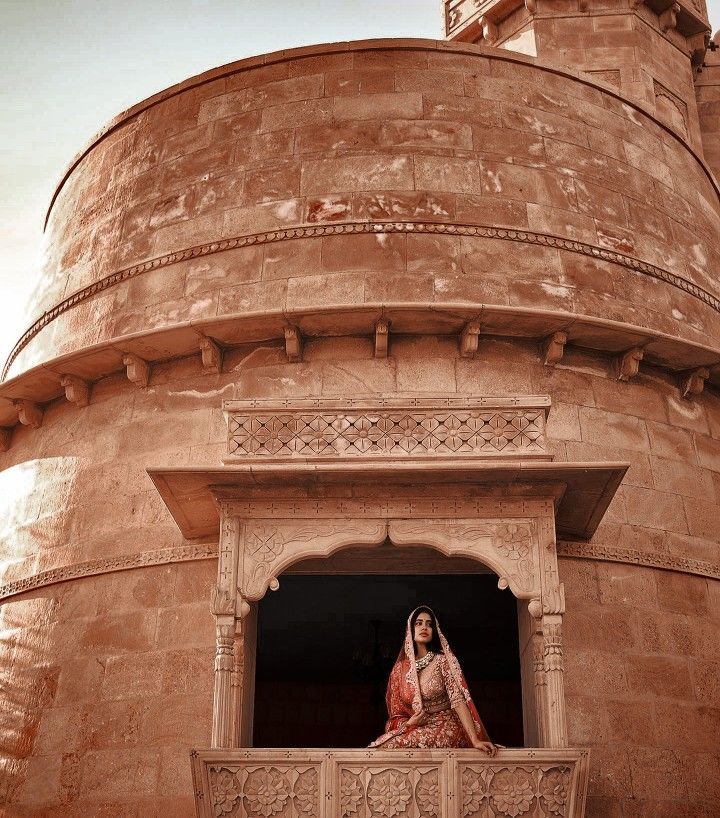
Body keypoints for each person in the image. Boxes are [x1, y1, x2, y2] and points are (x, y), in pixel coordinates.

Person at [368, 606, 497, 753]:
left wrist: (475, 739)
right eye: (419, 623)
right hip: (417, 726)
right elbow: (397, 713)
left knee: (391, 745)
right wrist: (411, 722)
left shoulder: (442, 661)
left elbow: (458, 700)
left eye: (429, 624)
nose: (424, 627)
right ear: (410, 629)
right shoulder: (400, 670)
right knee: (380, 744)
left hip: (447, 726)